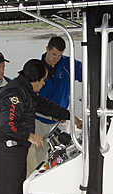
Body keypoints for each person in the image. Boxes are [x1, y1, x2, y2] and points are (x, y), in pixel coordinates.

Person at [0, 59, 79, 194]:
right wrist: (29, 136)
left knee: (17, 188)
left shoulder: (26, 90)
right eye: (43, 80)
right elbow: (7, 124)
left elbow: (45, 106)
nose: (44, 83)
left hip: (17, 147)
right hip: (6, 150)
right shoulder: (13, 94)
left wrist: (70, 117)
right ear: (33, 79)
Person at [33, 36, 83, 165]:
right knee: (41, 157)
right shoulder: (35, 68)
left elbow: (89, 75)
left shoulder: (68, 64)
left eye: (59, 55)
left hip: (61, 119)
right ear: (47, 49)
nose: (56, 58)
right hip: (40, 120)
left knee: (64, 154)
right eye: (54, 54)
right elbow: (31, 98)